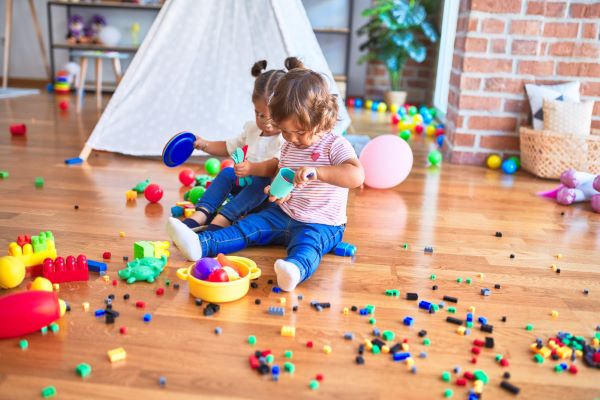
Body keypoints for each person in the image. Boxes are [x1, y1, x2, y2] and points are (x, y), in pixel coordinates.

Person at [167, 57, 364, 291]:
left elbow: (356, 175)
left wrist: (318, 172)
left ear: (321, 119)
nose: (290, 139)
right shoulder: (290, 145)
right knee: (248, 227)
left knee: (308, 246)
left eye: (298, 132)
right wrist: (278, 190)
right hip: (284, 212)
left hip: (322, 224)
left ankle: (295, 270)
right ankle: (200, 244)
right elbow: (283, 173)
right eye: (284, 131)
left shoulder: (334, 145)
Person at [182, 60, 285, 231]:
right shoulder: (252, 129)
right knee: (227, 173)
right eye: (260, 115)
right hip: (244, 189)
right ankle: (202, 213)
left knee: (261, 181)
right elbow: (228, 147)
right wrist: (204, 144)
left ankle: (223, 219)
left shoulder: (285, 138)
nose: (266, 123)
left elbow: (274, 166)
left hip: (266, 197)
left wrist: (251, 168)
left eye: (273, 117)